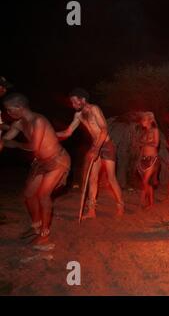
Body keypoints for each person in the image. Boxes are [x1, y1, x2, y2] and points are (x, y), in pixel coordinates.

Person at [0, 93, 71, 245]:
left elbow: (34, 147)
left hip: (57, 160)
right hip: (40, 162)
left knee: (43, 195)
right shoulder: (19, 123)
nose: (8, 113)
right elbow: (6, 139)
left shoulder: (38, 121)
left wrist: (15, 145)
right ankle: (36, 226)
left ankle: (45, 233)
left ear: (20, 107)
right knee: (28, 194)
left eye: (9, 110)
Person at [56, 88, 124, 219]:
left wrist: (97, 149)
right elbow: (67, 132)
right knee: (93, 179)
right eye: (72, 103)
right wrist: (51, 134)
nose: (73, 105)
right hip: (95, 146)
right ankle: (91, 210)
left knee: (111, 178)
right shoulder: (78, 115)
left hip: (106, 145)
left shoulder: (94, 109)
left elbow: (104, 129)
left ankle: (120, 205)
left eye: (75, 102)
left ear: (83, 100)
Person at [136, 112, 160, 210]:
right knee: (148, 183)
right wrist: (139, 159)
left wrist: (144, 142)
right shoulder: (144, 132)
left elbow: (156, 144)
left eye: (144, 119)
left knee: (144, 181)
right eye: (142, 119)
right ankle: (151, 203)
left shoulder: (155, 130)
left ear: (150, 120)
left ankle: (141, 203)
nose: (142, 121)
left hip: (152, 159)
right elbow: (141, 148)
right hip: (143, 159)